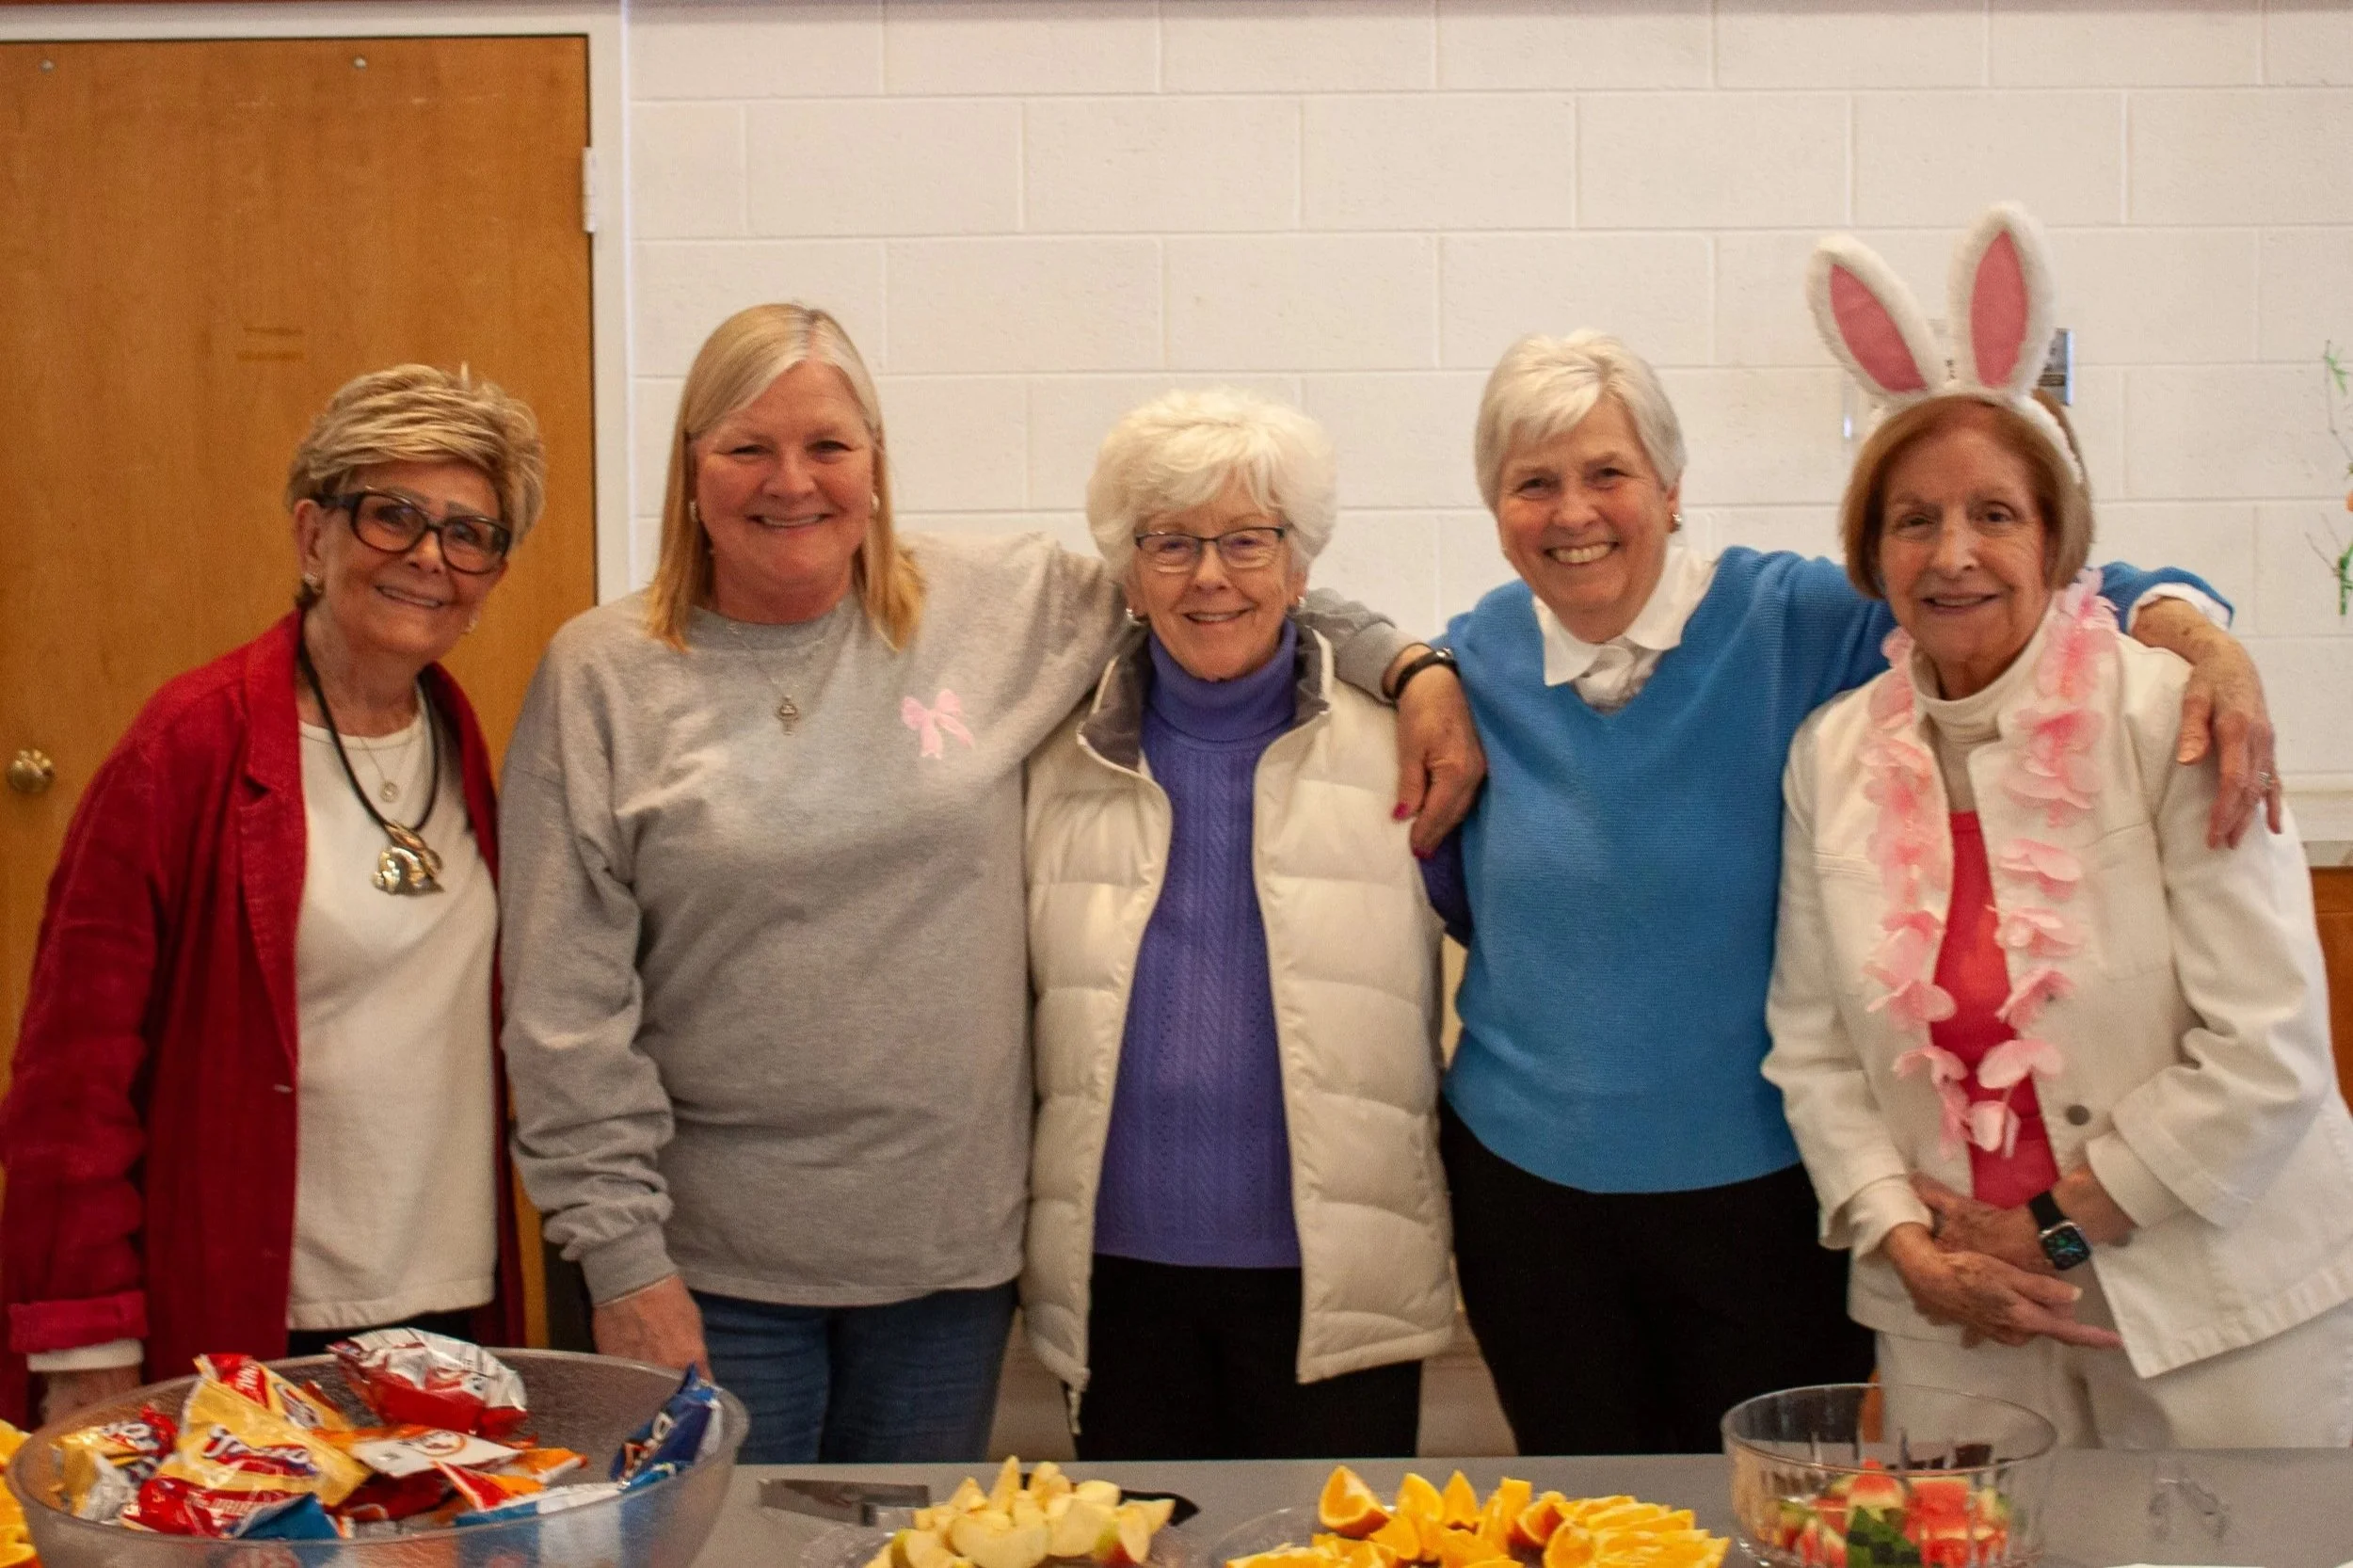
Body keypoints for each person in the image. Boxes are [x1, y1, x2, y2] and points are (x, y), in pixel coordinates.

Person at [498, 305, 1480, 1464]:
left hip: (948, 1272)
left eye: (828, 446)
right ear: (690, 469)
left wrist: (1415, 666)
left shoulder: (994, 608)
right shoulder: (604, 674)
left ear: (876, 462)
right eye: (747, 447)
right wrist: (624, 1262)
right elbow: (564, 1013)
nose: (791, 482)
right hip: (707, 1268)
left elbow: (1219, 572)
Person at [1430, 312, 2277, 1455]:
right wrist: (1413, 668)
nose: (1573, 513)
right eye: (1533, 482)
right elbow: (1331, 637)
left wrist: (2201, 639)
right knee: (1581, 1507)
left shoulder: (1792, 617)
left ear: (1673, 488)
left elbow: (2048, 580)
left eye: (1608, 472)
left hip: (1758, 1192)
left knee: (1775, 1509)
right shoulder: (1474, 653)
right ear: (1495, 511)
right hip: (1524, 1191)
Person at [1765, 208, 2353, 1447]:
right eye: (1913, 518)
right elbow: (1814, 1048)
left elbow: (2270, 1050)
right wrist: (1906, 1237)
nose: (1954, 552)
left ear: (2059, 535)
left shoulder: (2171, 718)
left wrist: (2059, 1222)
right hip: (1956, 1323)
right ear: (1872, 551)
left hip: (2219, 1317)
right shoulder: (1832, 756)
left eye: (1996, 512)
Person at [1, 365, 544, 1426]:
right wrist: (85, 1347)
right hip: (245, 1319)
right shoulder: (184, 748)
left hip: (450, 1315)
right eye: (392, 515)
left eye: (468, 533)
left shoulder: (467, 740)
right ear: (312, 534)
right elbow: (73, 1082)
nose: (430, 557)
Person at [1022, 390, 1453, 1460]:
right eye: (1169, 542)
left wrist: (1419, 667)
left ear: (1300, 566)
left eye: (1246, 540)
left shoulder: (1403, 743)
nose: (1209, 575)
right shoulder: (1052, 756)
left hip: (1334, 1287)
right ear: (1128, 570)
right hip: (1115, 1279)